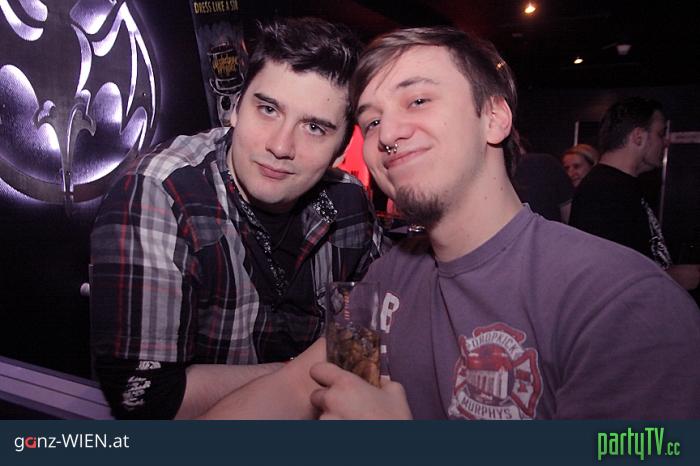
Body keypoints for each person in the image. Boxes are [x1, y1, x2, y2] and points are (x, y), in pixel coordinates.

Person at [202, 26, 700, 420]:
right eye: (371, 121)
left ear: (494, 118)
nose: (388, 133)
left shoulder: (624, 303)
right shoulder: (391, 277)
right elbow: (297, 388)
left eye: (417, 100)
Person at [89, 17, 385, 419]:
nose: (281, 145)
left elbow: (373, 341)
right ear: (234, 109)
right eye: (268, 109)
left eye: (315, 127)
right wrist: (306, 376)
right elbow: (145, 400)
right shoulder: (160, 193)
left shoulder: (349, 204)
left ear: (342, 148)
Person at [570, 97, 700, 290]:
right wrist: (675, 278)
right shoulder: (603, 191)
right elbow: (608, 277)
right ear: (638, 137)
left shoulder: (623, 185)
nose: (665, 142)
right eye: (660, 134)